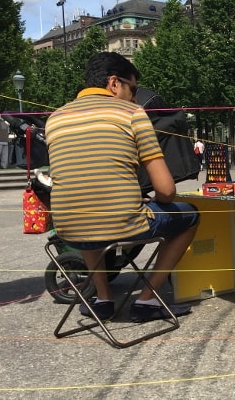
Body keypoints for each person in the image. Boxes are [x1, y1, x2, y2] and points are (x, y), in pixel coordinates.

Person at [45, 52, 199, 322]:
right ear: (114, 83)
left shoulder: (55, 119)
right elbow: (166, 190)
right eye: (134, 89)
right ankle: (148, 300)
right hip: (122, 225)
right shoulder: (133, 114)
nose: (134, 97)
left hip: (68, 230)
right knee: (189, 216)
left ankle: (103, 299)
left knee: (87, 212)